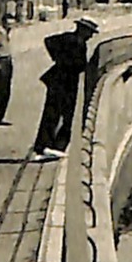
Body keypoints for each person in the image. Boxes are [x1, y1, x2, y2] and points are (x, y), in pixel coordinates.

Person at [29, 16, 99, 161]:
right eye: (90, 32)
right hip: (62, 82)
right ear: (83, 30)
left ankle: (50, 146)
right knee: (57, 114)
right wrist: (60, 60)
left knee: (60, 114)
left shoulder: (74, 40)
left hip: (65, 81)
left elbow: (49, 41)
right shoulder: (74, 41)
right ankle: (48, 147)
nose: (91, 35)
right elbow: (50, 42)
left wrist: (57, 58)